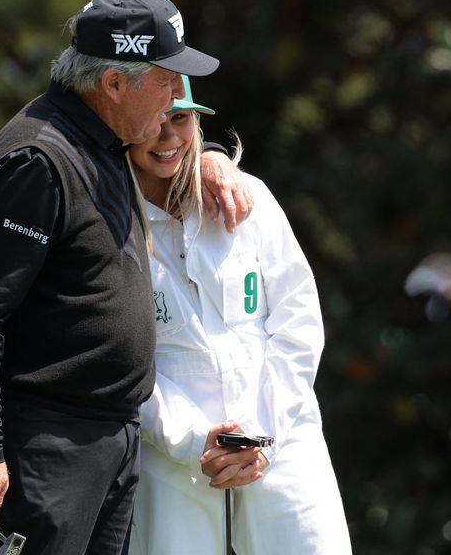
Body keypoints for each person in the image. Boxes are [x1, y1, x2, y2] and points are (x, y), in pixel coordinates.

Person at [0, 0, 253, 555]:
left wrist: (209, 160)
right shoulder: (38, 161)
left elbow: (170, 166)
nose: (174, 99)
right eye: (166, 79)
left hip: (110, 438)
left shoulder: (105, 142)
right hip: (48, 448)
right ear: (113, 83)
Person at [127, 76, 352, 554]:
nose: (169, 137)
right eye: (155, 122)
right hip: (172, 457)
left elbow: (298, 321)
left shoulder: (247, 195)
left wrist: (261, 433)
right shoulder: (110, 223)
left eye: (182, 118)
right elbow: (124, 360)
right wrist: (193, 442)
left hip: (282, 437)